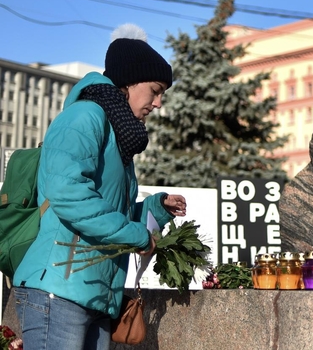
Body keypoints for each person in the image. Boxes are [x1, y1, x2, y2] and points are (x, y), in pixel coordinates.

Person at [13, 24, 187, 350]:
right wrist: (136, 235)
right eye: (155, 89)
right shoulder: (84, 117)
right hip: (59, 288)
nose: (159, 102)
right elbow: (69, 195)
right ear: (129, 82)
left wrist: (154, 209)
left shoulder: (118, 136)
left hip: (93, 295)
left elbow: (110, 211)